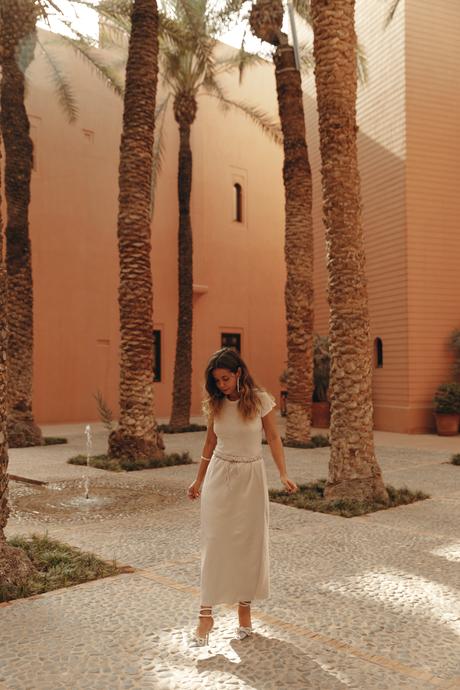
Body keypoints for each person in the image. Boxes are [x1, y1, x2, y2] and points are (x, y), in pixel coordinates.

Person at [187, 347, 298, 646]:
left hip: (251, 477)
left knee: (250, 545)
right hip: (219, 477)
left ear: (238, 374)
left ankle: (245, 615)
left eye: (225, 378)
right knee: (214, 543)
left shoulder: (260, 401)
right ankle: (205, 615)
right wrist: (198, 480)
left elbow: (273, 437)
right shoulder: (216, 404)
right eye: (216, 381)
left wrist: (283, 473)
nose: (221, 385)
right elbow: (210, 442)